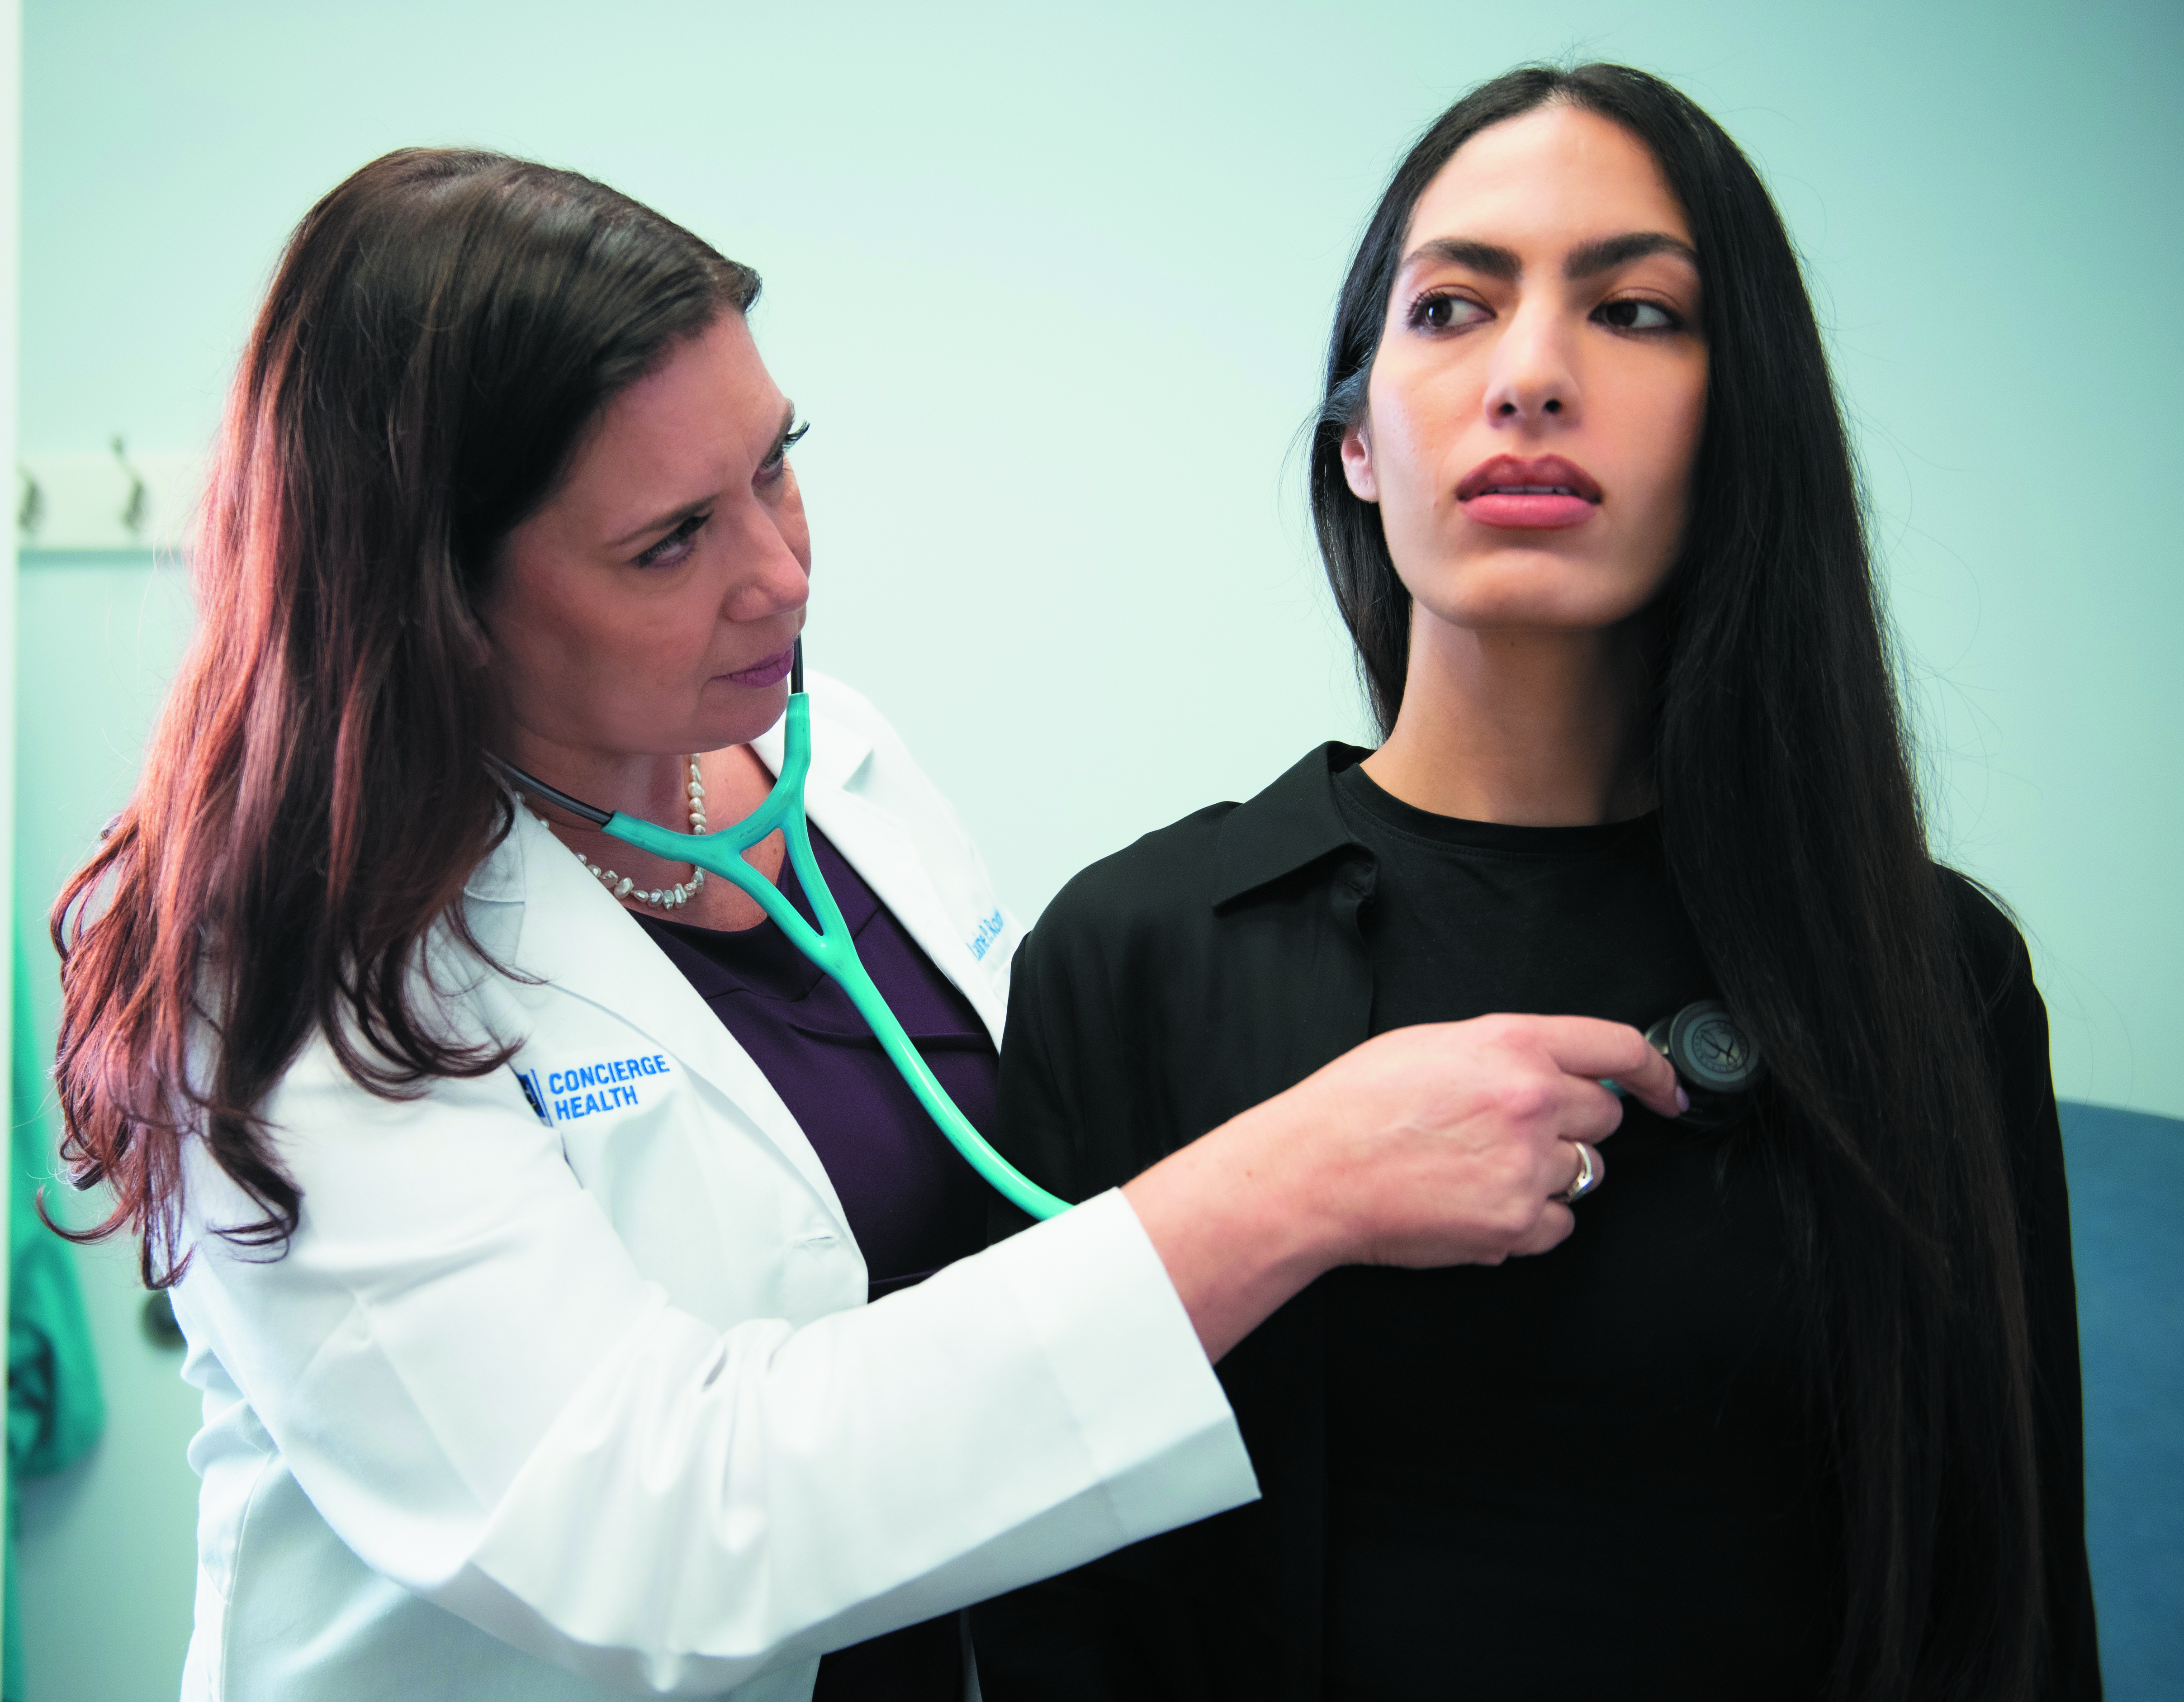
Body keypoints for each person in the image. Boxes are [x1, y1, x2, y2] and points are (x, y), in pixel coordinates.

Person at [43, 148, 1687, 1702]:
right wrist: (1294, 1185)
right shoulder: (289, 956)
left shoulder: (838, 776)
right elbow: (650, 1528)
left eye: (775, 465)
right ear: (435, 604)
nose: (781, 575)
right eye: (670, 541)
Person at [968, 63, 2099, 1702]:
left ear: (1743, 421)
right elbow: (1050, 1607)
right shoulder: (1135, 951)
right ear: (1357, 443)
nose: (1530, 377)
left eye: (1635, 312)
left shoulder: (1931, 972)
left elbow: (2009, 1608)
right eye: (1450, 307)